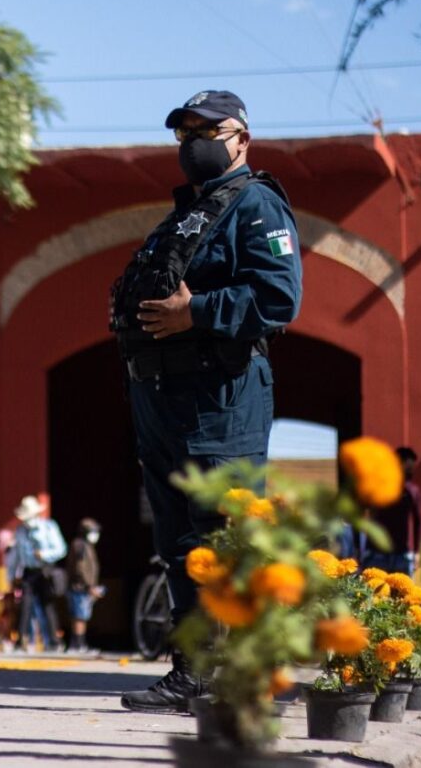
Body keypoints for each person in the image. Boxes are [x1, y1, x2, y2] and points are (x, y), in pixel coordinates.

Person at [109, 90, 303, 712]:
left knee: (225, 537)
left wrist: (194, 310)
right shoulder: (189, 213)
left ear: (241, 137)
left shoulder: (255, 205)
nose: (191, 140)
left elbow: (279, 300)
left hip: (221, 402)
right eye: (182, 131)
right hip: (163, 398)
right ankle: (192, 672)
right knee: (179, 545)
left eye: (204, 129)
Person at [11, 495, 67, 651]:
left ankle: (55, 641)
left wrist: (44, 554)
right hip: (29, 572)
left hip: (45, 570)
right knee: (25, 605)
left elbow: (61, 549)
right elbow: (16, 556)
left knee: (47, 605)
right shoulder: (20, 531)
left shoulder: (49, 527)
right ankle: (21, 640)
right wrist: (13, 576)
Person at [363, 447, 421, 574]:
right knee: (373, 592)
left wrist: (417, 552)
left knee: (403, 593)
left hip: (401, 552)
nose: (412, 469)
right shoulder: (378, 485)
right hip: (376, 552)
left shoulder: (412, 490)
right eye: (409, 465)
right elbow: (365, 514)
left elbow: (418, 521)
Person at [65, 518, 105, 656]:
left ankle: (78, 644)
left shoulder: (85, 545)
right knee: (79, 616)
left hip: (82, 587)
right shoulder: (80, 545)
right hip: (79, 587)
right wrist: (89, 586)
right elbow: (80, 567)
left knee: (82, 616)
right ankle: (77, 645)